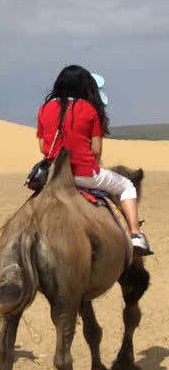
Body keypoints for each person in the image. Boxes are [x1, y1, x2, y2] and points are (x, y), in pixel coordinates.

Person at [37, 65, 151, 254]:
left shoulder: (45, 108)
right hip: (84, 174)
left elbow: (42, 147)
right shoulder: (89, 109)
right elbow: (96, 150)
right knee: (126, 186)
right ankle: (136, 235)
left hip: (52, 177)